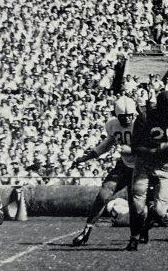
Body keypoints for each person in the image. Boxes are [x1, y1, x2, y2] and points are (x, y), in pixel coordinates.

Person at [125, 90, 168, 251]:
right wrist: (154, 150)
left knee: (160, 212)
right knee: (137, 205)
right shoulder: (144, 118)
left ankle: (145, 228)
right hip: (145, 163)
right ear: (160, 107)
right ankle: (134, 238)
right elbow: (135, 147)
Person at [69, 96, 138, 247]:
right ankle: (87, 230)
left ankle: (136, 236)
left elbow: (151, 150)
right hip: (123, 166)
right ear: (117, 115)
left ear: (134, 114)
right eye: (123, 116)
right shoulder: (113, 125)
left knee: (136, 204)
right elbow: (106, 145)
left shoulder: (141, 125)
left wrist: (132, 150)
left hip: (140, 168)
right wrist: (85, 158)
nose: (126, 119)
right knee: (103, 195)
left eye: (129, 116)